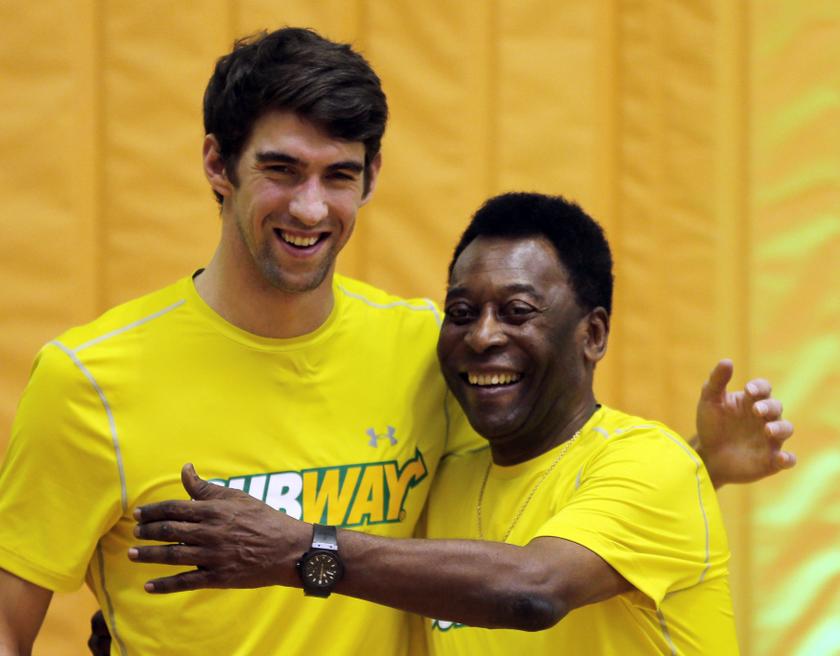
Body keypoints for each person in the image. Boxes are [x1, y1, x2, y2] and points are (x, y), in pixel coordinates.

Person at [0, 27, 792, 656]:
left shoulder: (428, 348)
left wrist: (693, 468)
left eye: (338, 175)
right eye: (281, 169)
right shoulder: (88, 380)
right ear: (217, 163)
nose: (310, 208)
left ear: (372, 178)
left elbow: (546, 540)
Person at [129, 193, 785, 656]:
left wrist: (298, 549)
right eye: (463, 311)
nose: (482, 337)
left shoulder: (652, 462)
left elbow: (533, 592)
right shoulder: (442, 482)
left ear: (593, 334)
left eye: (518, 310)